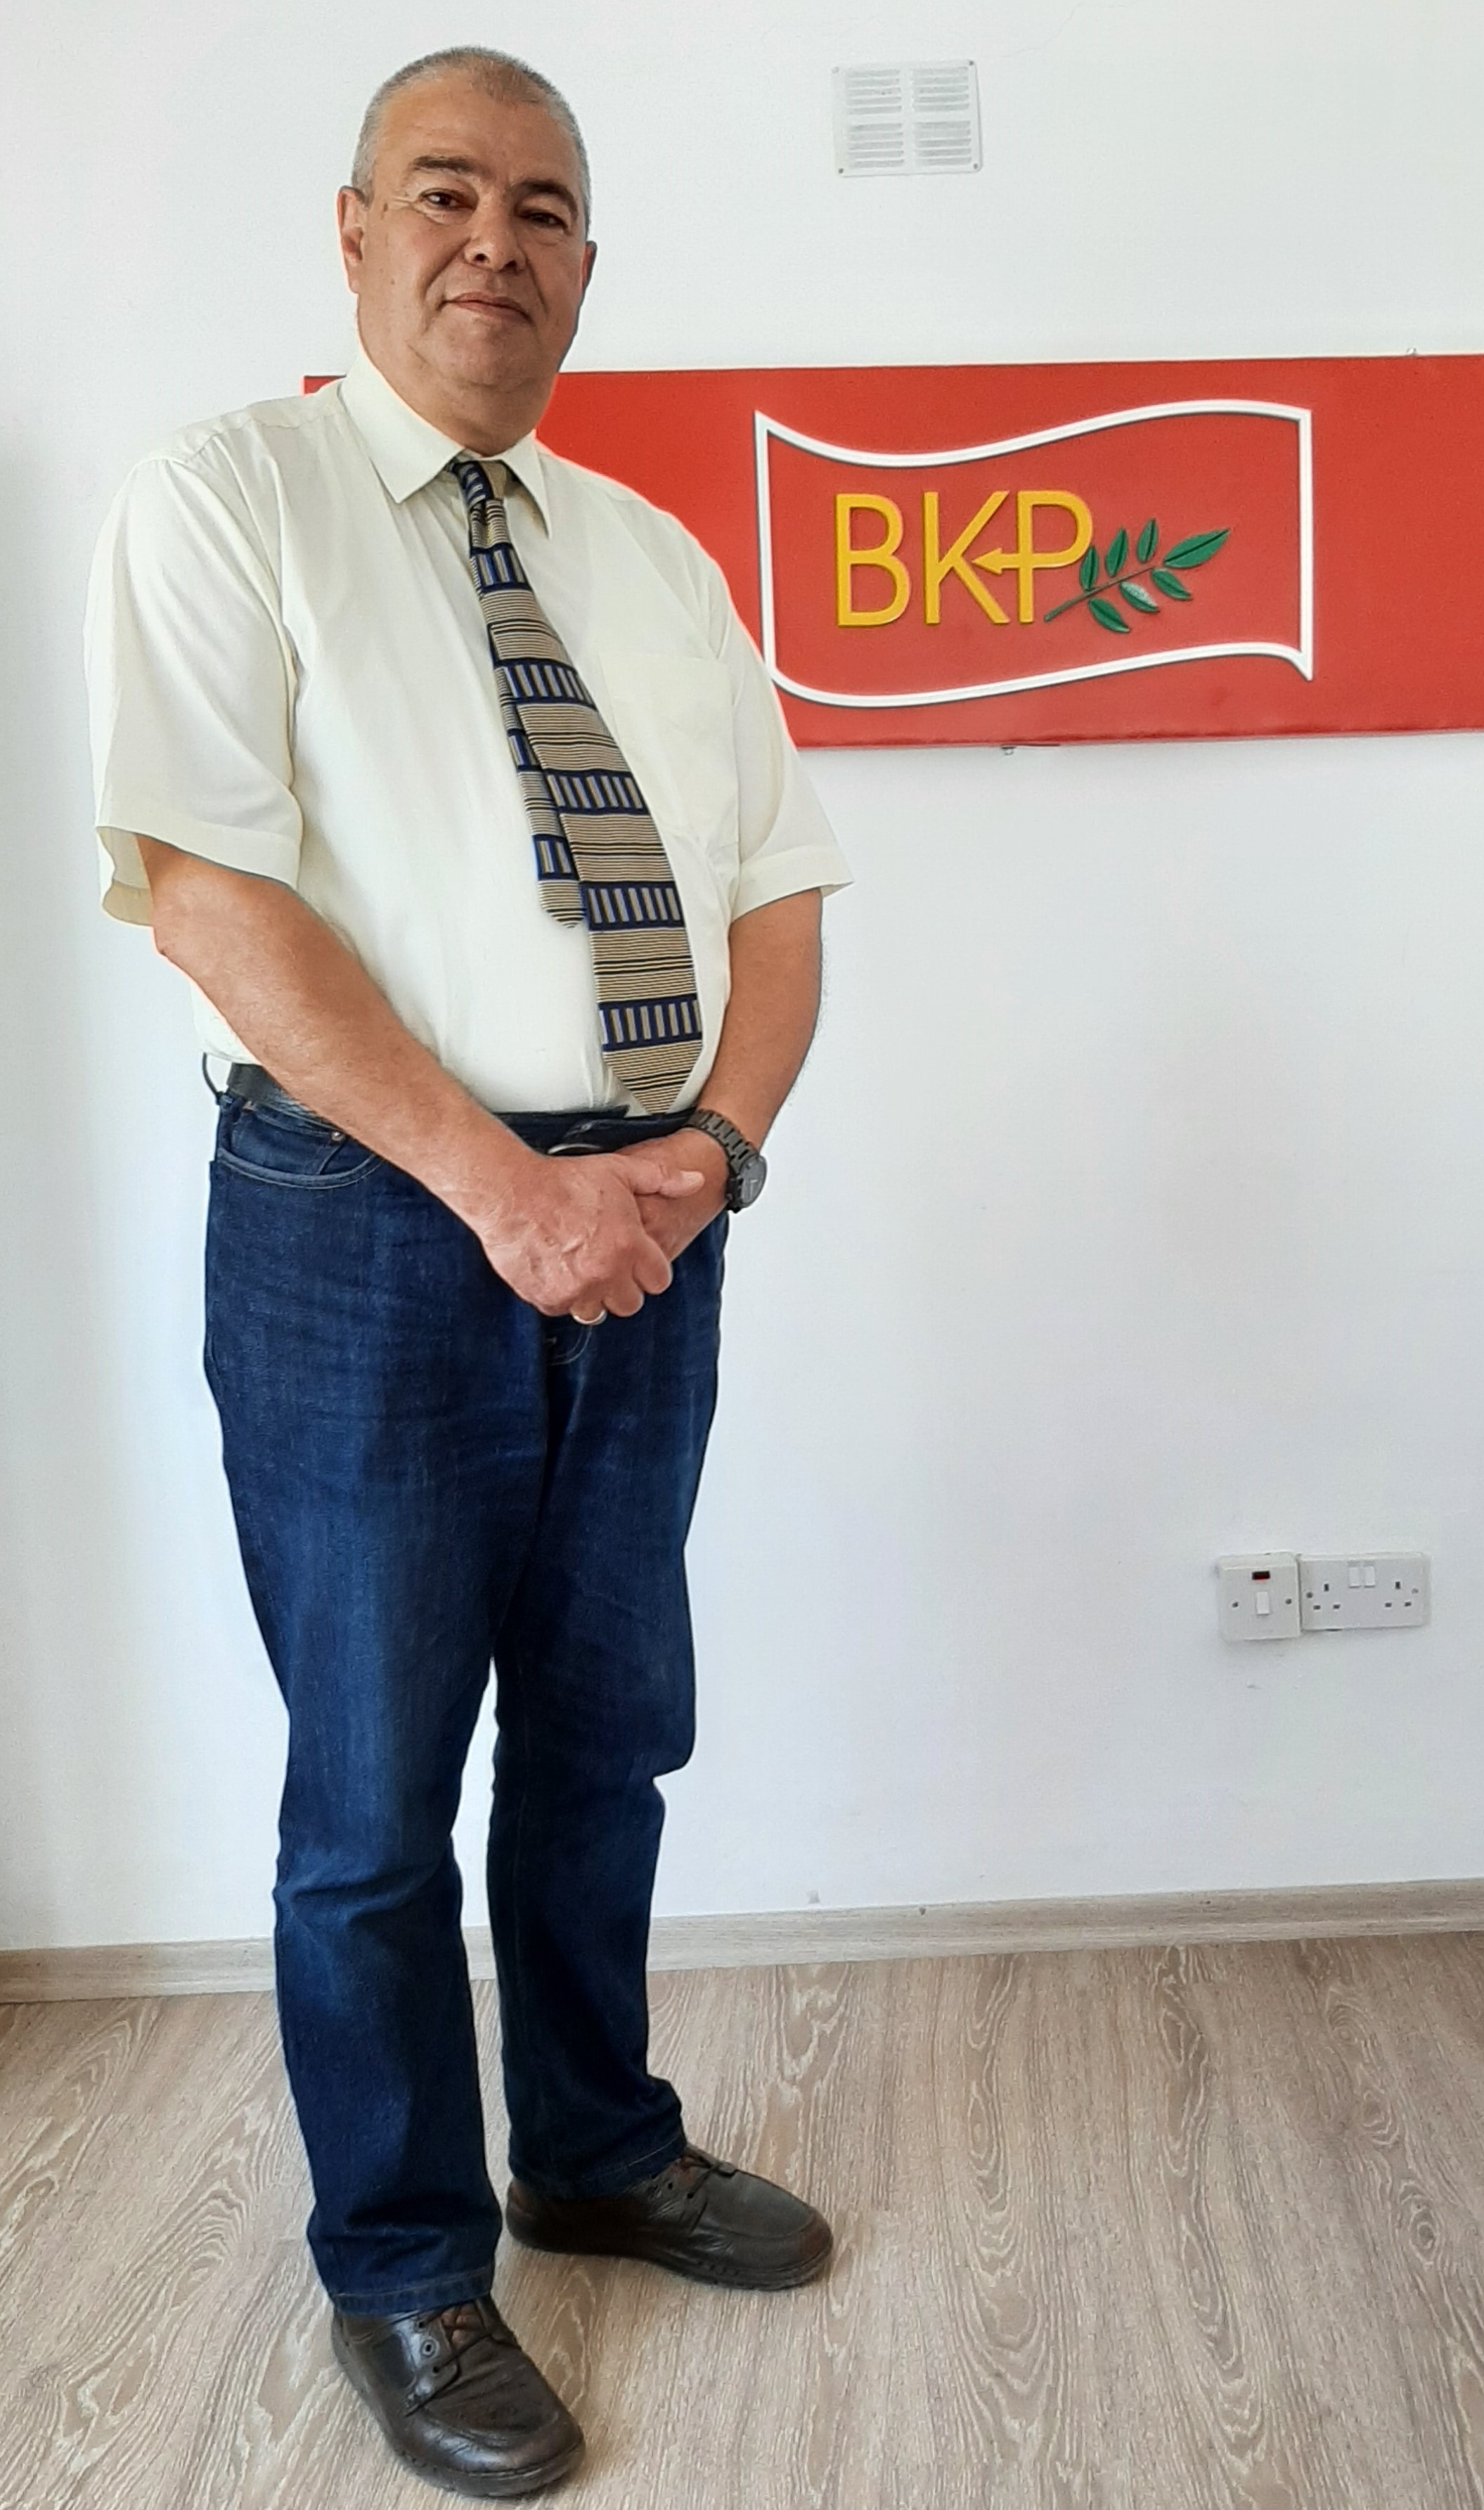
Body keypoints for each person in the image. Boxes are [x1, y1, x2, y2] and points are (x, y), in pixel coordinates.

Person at [84, 46, 851, 2499]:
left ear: (588, 266)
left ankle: (596, 2151)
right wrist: (499, 1184)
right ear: (354, 232)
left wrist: (708, 1152)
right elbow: (213, 899)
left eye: (540, 206)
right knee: (374, 1792)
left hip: (650, 1223)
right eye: (443, 193)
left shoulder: (656, 558)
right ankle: (405, 2262)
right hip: (367, 1227)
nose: (492, 242)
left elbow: (777, 900)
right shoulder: (234, 499)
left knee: (611, 1731)